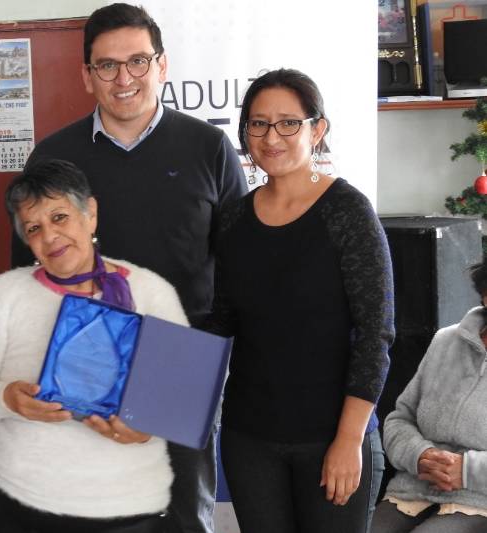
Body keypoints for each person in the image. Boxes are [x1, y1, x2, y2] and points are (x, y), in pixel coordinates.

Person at [11, 5, 247, 532]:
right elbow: (26, 270)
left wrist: (214, 355)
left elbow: (240, 264)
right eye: (107, 66)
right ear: (86, 75)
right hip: (84, 355)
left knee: (182, 509)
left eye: (138, 62)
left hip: (181, 356)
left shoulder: (208, 147)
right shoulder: (54, 157)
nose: (124, 79)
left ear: (162, 66)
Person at [0, 158, 186, 533]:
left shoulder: (150, 291)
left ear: (90, 213)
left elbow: (185, 395)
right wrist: (6, 398)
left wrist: (147, 427)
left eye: (60, 217)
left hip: (127, 504)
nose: (50, 237)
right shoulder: (2, 294)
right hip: (21, 497)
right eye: (34, 228)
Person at [204, 68, 394, 533]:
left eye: (288, 122)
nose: (272, 137)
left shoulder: (347, 212)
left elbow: (376, 333)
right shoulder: (232, 220)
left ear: (317, 128)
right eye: (259, 123)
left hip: (331, 437)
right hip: (250, 438)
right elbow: (222, 322)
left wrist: (349, 440)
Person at [371, 261, 487, 533]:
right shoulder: (445, 341)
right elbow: (399, 419)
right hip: (412, 489)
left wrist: (468, 469)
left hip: (479, 500)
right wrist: (420, 455)